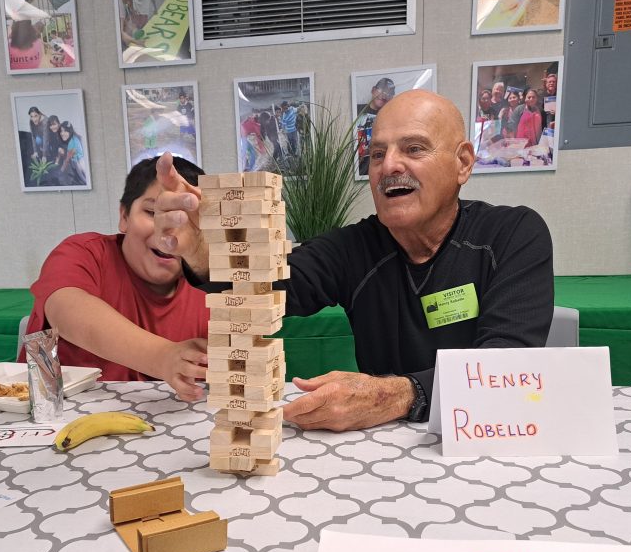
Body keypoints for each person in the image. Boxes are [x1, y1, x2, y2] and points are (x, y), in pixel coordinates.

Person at [151, 89, 554, 432]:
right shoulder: (354, 248)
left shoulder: (512, 235)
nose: (389, 166)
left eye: (413, 149)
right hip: (380, 452)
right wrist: (201, 250)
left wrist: (394, 395)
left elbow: (505, 372)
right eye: (377, 154)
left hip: (488, 441)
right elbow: (262, 289)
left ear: (463, 162)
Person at [21, 156, 209, 552]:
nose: (167, 229)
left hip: (177, 458)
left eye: (183, 216)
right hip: (64, 462)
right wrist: (162, 356)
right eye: (152, 211)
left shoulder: (211, 285)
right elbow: (63, 307)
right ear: (123, 216)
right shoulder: (85, 253)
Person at [355, 77, 395, 176]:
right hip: (358, 170)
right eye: (381, 90)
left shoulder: (392, 116)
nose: (384, 95)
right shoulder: (356, 110)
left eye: (389, 93)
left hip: (381, 171)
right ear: (373, 90)